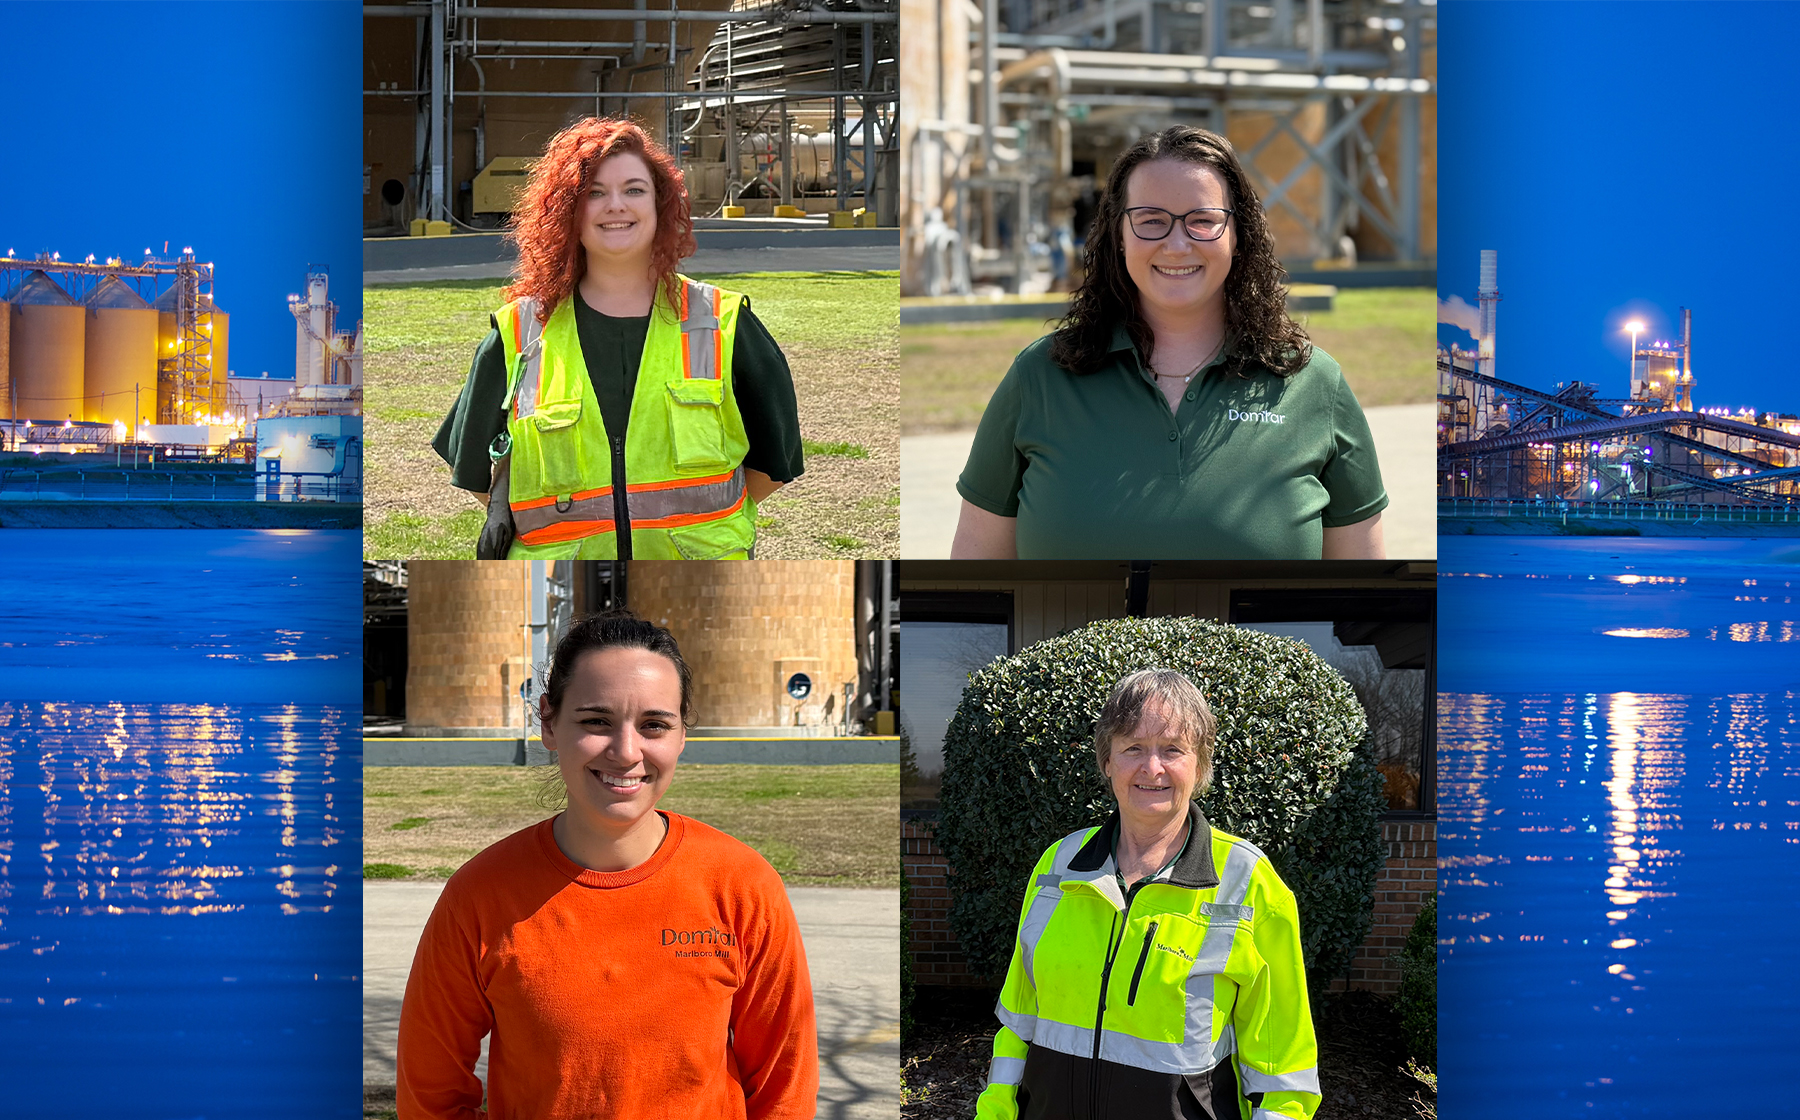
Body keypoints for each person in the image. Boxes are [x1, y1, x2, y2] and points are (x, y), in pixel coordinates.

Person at [395, 612, 819, 1120]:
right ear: (549, 723)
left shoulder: (742, 886)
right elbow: (429, 1093)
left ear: (683, 734)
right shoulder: (480, 895)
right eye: (596, 721)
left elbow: (784, 1087)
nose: (625, 751)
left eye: (654, 725)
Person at [951, 125, 1387, 559]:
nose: (1177, 245)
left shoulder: (1315, 384)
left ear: (1238, 236)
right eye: (1151, 221)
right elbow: (972, 580)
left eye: (1202, 221)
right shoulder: (1039, 377)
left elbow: (1361, 599)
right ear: (1118, 237)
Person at [432, 118, 804, 559]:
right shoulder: (519, 332)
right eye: (593, 193)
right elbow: (473, 468)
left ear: (660, 203)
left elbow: (774, 464)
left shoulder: (724, 323)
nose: (616, 206)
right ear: (567, 209)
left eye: (634, 189)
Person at [975, 669, 1320, 1120]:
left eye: (1172, 750)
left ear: (1199, 766)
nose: (1151, 768)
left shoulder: (1248, 881)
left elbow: (1283, 1075)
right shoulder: (1058, 865)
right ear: (1107, 762)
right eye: (1133, 748)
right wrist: (995, 1111)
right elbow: (1020, 1021)